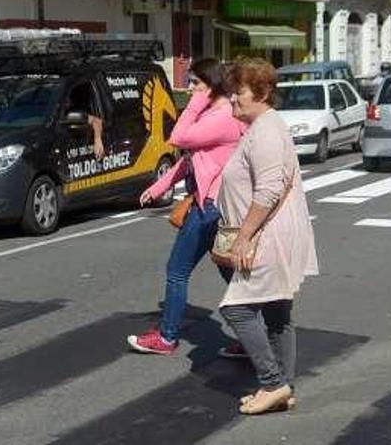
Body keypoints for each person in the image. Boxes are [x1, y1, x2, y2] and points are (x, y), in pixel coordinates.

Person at [217, 58, 318, 415]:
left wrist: (244, 236)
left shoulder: (266, 131)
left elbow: (270, 189)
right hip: (273, 232)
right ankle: (283, 388)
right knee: (277, 312)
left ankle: (272, 382)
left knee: (238, 308)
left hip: (267, 235)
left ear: (261, 92)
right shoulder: (264, 127)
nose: (232, 99)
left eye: (238, 92)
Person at [126, 58, 246, 355]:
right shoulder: (216, 114)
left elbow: (178, 138)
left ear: (212, 86)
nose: (189, 87)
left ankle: (166, 337)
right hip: (214, 205)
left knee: (177, 271)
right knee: (229, 273)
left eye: (196, 83)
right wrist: (159, 187)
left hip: (209, 207)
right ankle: (253, 336)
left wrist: (194, 105)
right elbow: (189, 158)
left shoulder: (221, 117)